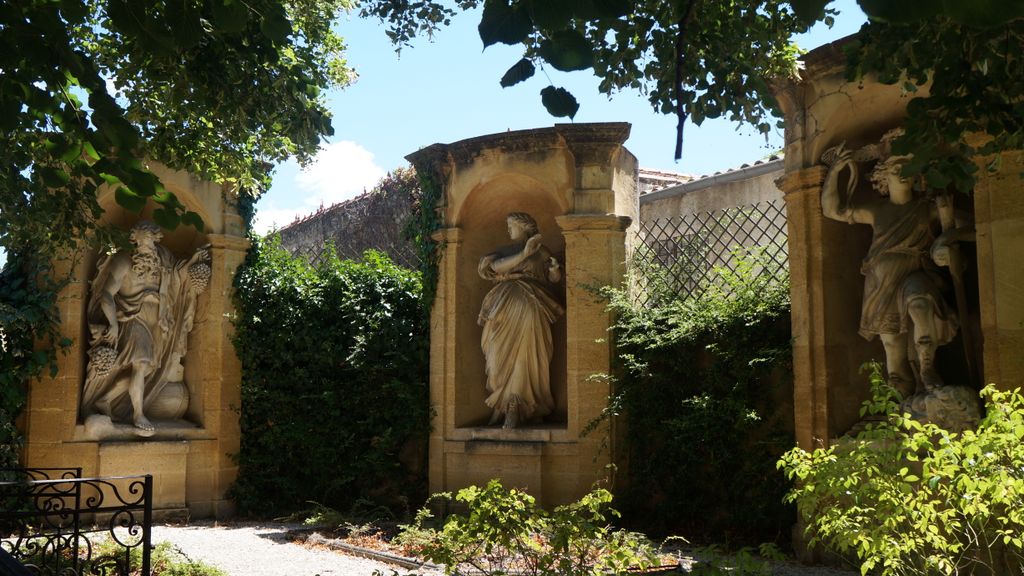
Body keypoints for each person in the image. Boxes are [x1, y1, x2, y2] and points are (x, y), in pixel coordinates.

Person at [820, 131, 961, 398]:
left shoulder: (928, 207)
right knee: (893, 348)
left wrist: (947, 239)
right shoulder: (876, 210)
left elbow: (970, 227)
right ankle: (903, 408)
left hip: (916, 273)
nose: (904, 172)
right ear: (884, 173)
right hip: (880, 287)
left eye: (909, 166)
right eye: (897, 167)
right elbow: (832, 210)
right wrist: (835, 172)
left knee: (920, 301)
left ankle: (928, 370)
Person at [82, 220, 209, 436]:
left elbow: (176, 278)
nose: (146, 244)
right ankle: (138, 415)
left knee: (148, 368)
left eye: (150, 239)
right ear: (134, 239)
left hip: (158, 320)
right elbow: (106, 294)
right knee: (141, 365)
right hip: (133, 317)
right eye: (142, 239)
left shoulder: (163, 259)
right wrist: (112, 323)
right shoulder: (123, 259)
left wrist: (193, 261)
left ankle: (105, 399)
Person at [477, 212, 564, 429]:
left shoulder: (541, 251)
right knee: (495, 355)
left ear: (524, 227)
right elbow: (496, 268)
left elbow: (554, 280)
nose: (508, 231)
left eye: (511, 226)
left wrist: (554, 270)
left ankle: (518, 406)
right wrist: (524, 253)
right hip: (502, 306)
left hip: (532, 306)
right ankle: (502, 405)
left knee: (528, 354)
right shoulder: (506, 251)